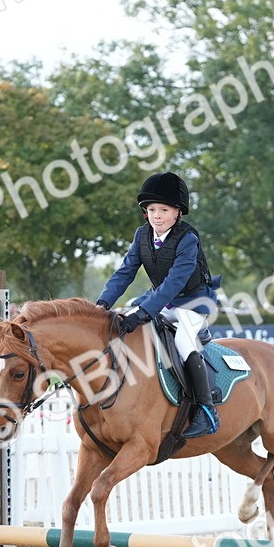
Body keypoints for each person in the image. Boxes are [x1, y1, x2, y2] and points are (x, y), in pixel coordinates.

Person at [95, 172, 222, 438]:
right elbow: (125, 272)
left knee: (184, 344)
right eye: (151, 209)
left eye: (163, 209)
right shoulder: (142, 236)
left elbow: (174, 283)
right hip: (161, 301)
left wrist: (143, 312)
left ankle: (207, 410)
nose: (156, 215)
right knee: (121, 325)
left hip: (193, 303)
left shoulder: (188, 239)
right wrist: (103, 303)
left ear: (177, 213)